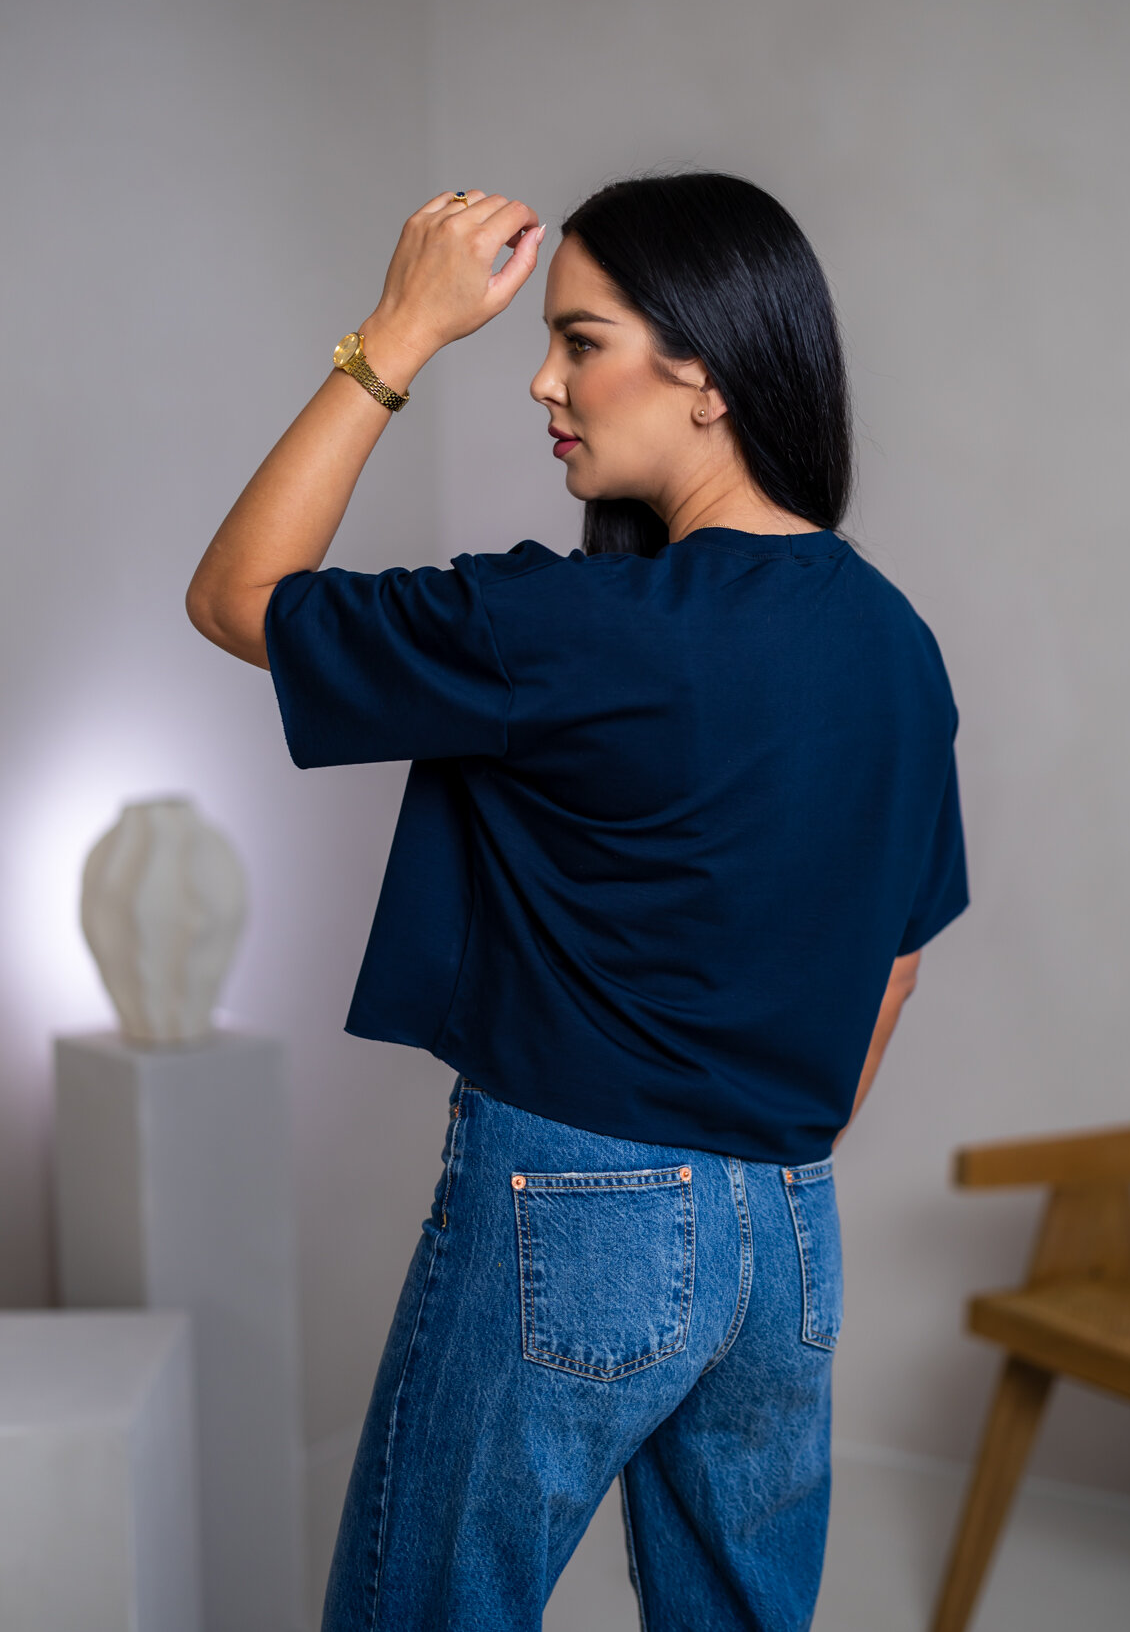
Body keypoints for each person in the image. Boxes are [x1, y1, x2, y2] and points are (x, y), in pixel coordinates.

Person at [187, 172, 969, 1632]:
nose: (542, 380)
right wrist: (742, 1167)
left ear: (708, 377)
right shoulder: (896, 643)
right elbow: (898, 965)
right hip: (789, 1230)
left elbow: (240, 595)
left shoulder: (564, 628)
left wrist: (396, 335)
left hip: (577, 1207)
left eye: (580, 340)